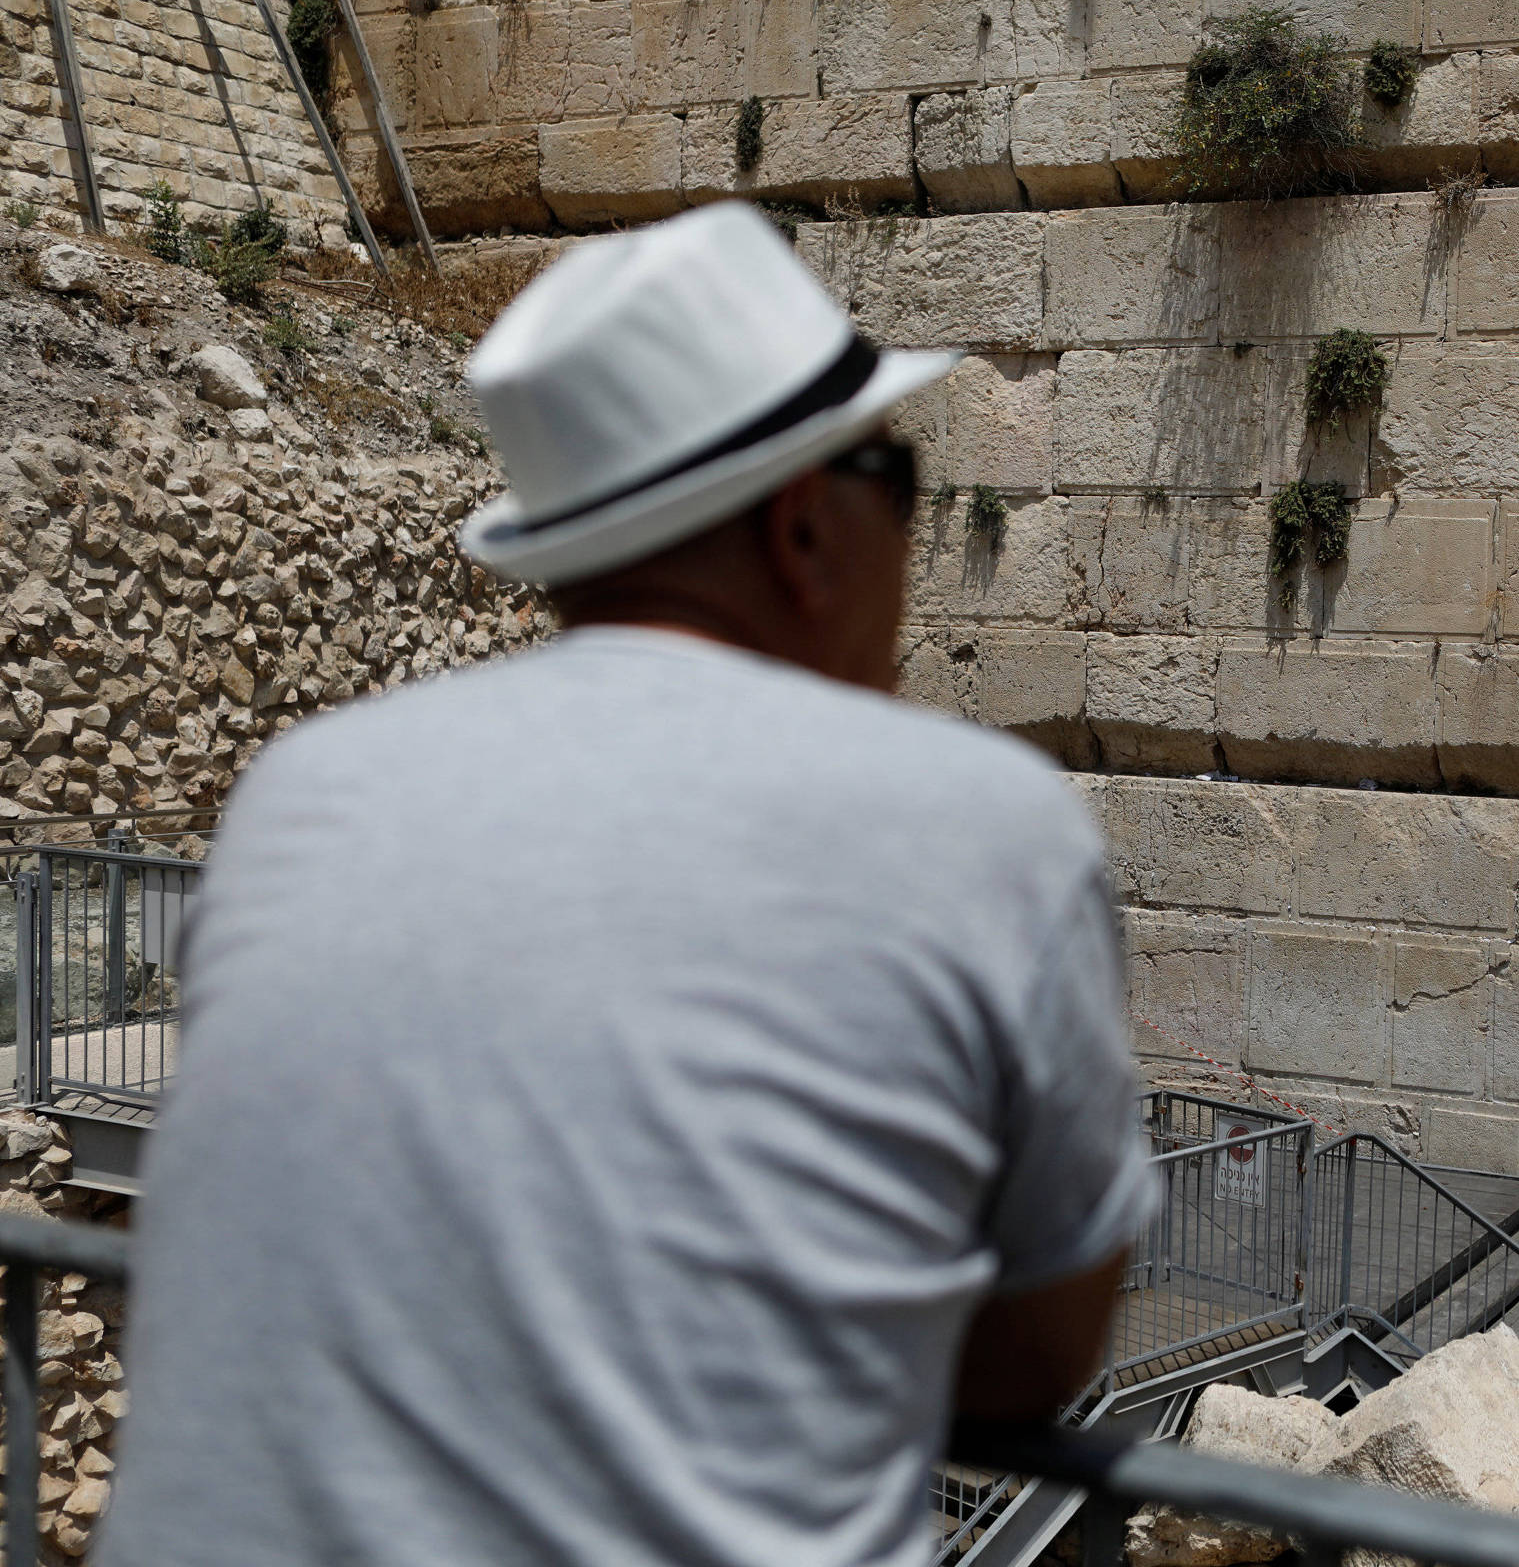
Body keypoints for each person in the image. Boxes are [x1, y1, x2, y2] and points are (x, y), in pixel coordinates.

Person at [102, 203, 1156, 1567]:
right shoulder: (983, 827)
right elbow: (1038, 1354)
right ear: (800, 529)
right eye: (900, 483)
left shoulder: (303, 790)